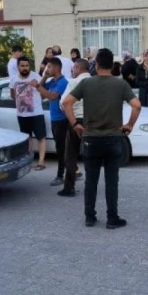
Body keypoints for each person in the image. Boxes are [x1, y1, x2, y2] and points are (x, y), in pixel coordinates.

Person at [62, 48, 141, 229]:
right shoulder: (121, 84)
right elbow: (137, 105)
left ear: (96, 65)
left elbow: (66, 103)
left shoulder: (86, 83)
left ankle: (90, 217)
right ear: (112, 66)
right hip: (113, 138)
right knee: (112, 181)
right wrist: (129, 125)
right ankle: (112, 218)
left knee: (91, 180)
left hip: (90, 139)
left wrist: (75, 125)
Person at [58, 59, 90, 197]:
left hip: (76, 120)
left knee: (70, 155)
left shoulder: (74, 82)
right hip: (92, 121)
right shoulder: (93, 82)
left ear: (78, 68)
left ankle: (69, 188)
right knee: (90, 155)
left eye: (73, 68)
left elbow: (63, 103)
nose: (72, 71)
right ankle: (91, 185)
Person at [10, 56, 47, 171]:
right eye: (22, 66)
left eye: (27, 65)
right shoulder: (14, 79)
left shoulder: (36, 77)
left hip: (36, 113)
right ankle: (28, 160)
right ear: (18, 66)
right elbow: (12, 94)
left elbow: (44, 93)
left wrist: (37, 99)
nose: (25, 68)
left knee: (41, 137)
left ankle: (41, 162)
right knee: (27, 138)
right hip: (22, 114)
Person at [36, 57, 69, 186]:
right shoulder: (52, 81)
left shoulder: (63, 82)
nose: (47, 69)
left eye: (49, 67)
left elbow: (52, 96)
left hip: (62, 119)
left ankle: (60, 175)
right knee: (60, 147)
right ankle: (72, 171)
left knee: (61, 149)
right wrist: (44, 76)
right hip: (54, 119)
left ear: (57, 68)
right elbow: (41, 92)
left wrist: (37, 86)